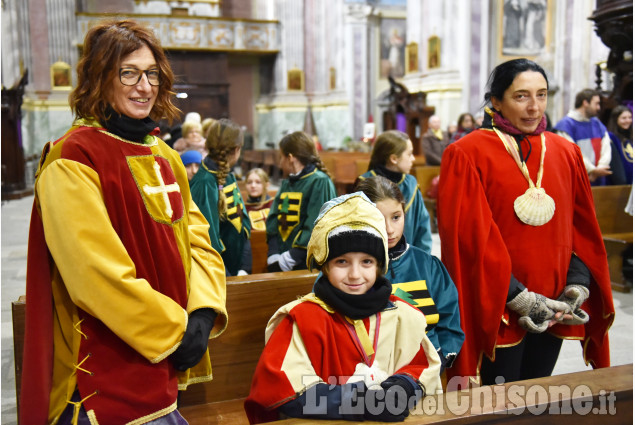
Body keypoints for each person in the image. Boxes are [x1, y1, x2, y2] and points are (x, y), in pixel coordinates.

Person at [20, 19, 228, 424]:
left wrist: (203, 311)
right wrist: (175, 331)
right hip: (104, 376)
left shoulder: (164, 156)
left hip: (163, 368)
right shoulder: (72, 158)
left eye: (152, 74)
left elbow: (200, 240)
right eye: (128, 73)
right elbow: (95, 274)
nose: (145, 86)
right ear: (99, 78)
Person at [438, 58, 615, 386]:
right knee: (498, 400)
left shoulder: (566, 152)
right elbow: (470, 239)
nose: (534, 107)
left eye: (542, 95)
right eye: (521, 96)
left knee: (537, 393)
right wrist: (519, 297)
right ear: (496, 101)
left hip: (556, 305)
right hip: (499, 305)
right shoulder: (467, 154)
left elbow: (581, 230)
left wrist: (576, 285)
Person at [245, 192, 442, 423]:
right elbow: (283, 389)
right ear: (325, 266)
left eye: (367, 261)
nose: (355, 274)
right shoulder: (301, 318)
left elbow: (422, 366)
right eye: (342, 262)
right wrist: (362, 401)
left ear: (380, 266)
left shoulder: (404, 316)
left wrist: (403, 386)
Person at [356, 176, 464, 372]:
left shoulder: (427, 265)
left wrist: (435, 363)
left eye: (396, 217)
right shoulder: (350, 271)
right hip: (369, 375)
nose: (389, 229)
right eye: (378, 219)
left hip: (427, 371)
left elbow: (450, 324)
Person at [266, 131, 336, 272]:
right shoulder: (288, 183)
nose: (280, 163)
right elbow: (273, 217)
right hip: (281, 256)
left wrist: (291, 258)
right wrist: (273, 253)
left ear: (290, 158)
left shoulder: (319, 181)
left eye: (281, 157)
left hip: (307, 263)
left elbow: (317, 225)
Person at [190, 118, 252, 276]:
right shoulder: (205, 182)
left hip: (237, 268)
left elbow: (241, 223)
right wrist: (226, 277)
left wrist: (244, 267)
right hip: (219, 274)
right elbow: (207, 241)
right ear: (237, 149)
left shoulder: (227, 175)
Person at [358, 130, 433, 253]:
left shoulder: (411, 183)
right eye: (409, 154)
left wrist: (422, 260)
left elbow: (422, 228)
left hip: (408, 258)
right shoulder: (365, 184)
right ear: (394, 158)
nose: (413, 159)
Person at [553, 88, 613, 185]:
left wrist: (600, 168)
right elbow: (572, 152)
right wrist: (591, 170)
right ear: (585, 103)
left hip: (598, 179)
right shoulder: (565, 125)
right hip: (577, 181)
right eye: (596, 103)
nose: (599, 108)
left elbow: (606, 148)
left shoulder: (597, 123)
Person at [607, 105, 633, 184]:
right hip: (619, 184)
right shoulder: (611, 137)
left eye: (630, 117)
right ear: (616, 119)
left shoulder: (631, 136)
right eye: (624, 118)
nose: (628, 120)